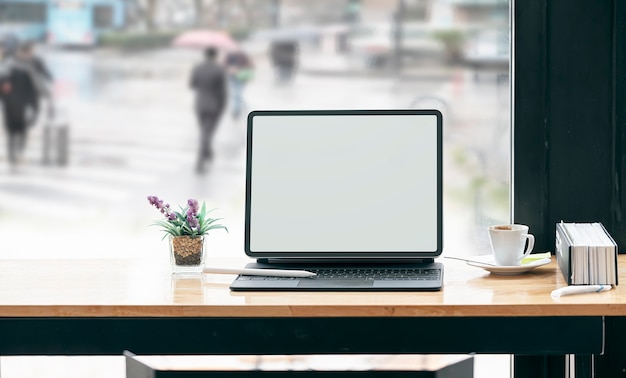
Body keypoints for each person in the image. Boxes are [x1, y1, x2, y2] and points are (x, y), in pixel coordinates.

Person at [0, 42, 39, 172]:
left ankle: (15, 153)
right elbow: (33, 91)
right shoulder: (19, 68)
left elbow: (33, 91)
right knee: (17, 129)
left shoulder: (11, 68)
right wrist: (34, 107)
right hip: (16, 105)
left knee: (15, 129)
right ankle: (16, 152)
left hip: (14, 105)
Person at [189, 47, 227, 174]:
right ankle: (200, 161)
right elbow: (223, 92)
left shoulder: (197, 68)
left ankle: (208, 153)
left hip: (199, 105)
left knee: (204, 132)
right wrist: (223, 106)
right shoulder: (219, 70)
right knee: (207, 133)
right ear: (215, 56)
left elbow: (192, 85)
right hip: (214, 106)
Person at [224, 50, 254, 119]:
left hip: (241, 77)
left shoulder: (243, 56)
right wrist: (230, 69)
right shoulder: (230, 56)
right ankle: (240, 108)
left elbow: (249, 65)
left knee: (237, 94)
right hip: (233, 77)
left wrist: (238, 69)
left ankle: (237, 111)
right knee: (237, 94)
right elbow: (225, 65)